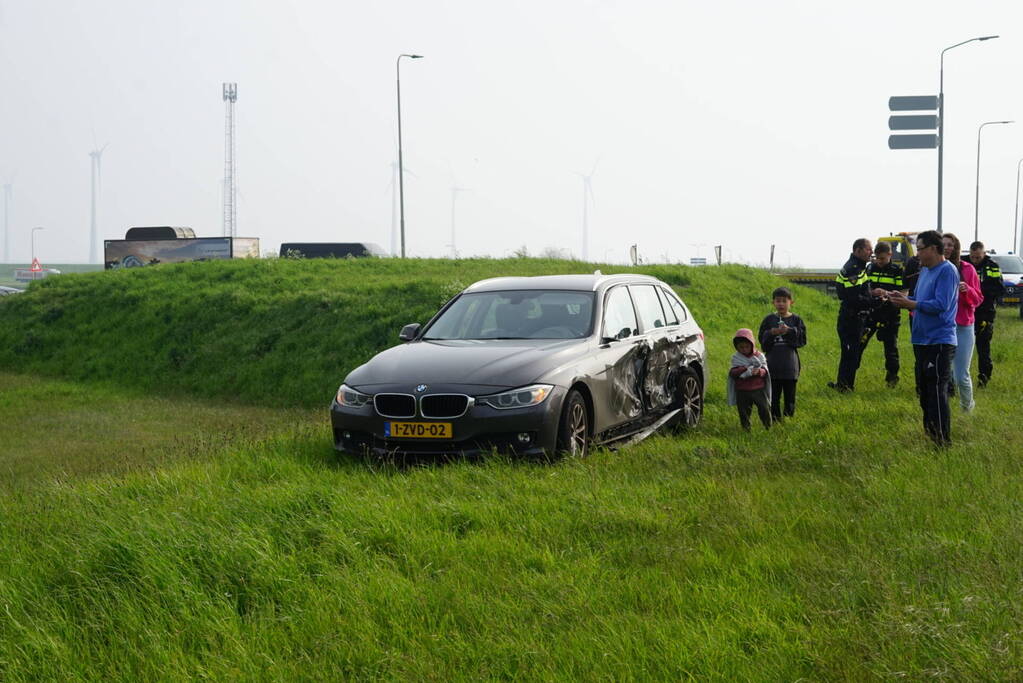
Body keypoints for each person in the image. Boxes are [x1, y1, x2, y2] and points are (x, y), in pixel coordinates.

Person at [888, 230, 958, 446]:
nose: (917, 253)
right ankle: (930, 433)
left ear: (933, 249)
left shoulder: (947, 271)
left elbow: (941, 305)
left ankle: (942, 441)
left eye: (920, 249)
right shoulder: (925, 270)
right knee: (924, 391)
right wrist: (901, 298)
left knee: (936, 391)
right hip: (921, 339)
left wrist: (912, 304)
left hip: (939, 340)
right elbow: (918, 299)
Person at [942, 233, 982, 412]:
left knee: (961, 375)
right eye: (944, 244)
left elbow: (978, 299)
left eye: (950, 244)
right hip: (943, 326)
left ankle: (967, 408)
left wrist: (967, 290)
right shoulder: (936, 269)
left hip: (963, 327)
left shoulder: (967, 269)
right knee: (943, 373)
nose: (947, 248)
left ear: (956, 247)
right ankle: (942, 409)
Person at [829, 238, 874, 392]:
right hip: (851, 319)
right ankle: (844, 386)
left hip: (855, 317)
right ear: (858, 250)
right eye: (869, 249)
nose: (871, 252)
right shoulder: (853, 269)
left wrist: (872, 295)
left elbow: (861, 292)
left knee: (852, 353)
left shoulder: (859, 267)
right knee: (850, 353)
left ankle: (844, 384)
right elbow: (853, 298)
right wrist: (873, 302)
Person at [758, 286, 806, 421]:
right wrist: (771, 333)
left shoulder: (796, 320)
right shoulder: (769, 320)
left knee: (790, 395)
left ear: (791, 302)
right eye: (778, 301)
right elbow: (762, 340)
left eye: (784, 301)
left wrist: (789, 331)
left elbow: (802, 340)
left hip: (790, 365)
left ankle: (788, 418)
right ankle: (775, 418)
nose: (781, 304)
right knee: (774, 395)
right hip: (772, 364)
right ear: (773, 302)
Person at [862, 242, 904, 387]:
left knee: (891, 349)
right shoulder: (870, 268)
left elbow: (903, 293)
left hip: (890, 315)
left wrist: (885, 293)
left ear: (890, 255)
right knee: (860, 344)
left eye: (882, 258)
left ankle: (892, 378)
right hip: (871, 314)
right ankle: (848, 378)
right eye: (877, 258)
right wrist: (872, 292)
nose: (879, 261)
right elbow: (863, 289)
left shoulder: (897, 270)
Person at [968, 241, 1004, 387]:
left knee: (983, 347)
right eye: (972, 257)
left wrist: (979, 292)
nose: (975, 260)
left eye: (978, 257)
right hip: (967, 312)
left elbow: (999, 288)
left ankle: (984, 378)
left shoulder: (992, 266)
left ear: (984, 253)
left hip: (985, 313)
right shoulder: (964, 263)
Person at [727, 328, 772, 431]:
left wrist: (759, 372)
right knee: (744, 411)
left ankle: (767, 426)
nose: (744, 349)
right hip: (742, 390)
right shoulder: (736, 358)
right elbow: (733, 372)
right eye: (741, 347)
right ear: (736, 347)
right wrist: (744, 369)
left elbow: (765, 370)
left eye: (747, 346)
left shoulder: (759, 356)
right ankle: (746, 428)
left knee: (764, 408)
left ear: (752, 345)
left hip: (758, 389)